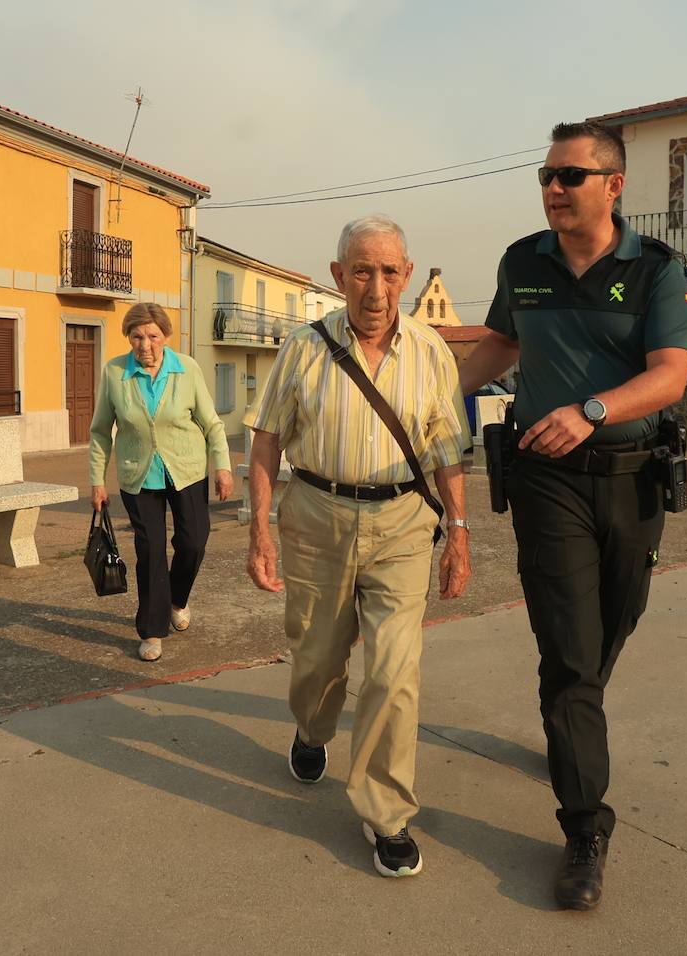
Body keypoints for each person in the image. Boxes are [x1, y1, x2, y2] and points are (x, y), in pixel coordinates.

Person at [459, 121, 687, 910]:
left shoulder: (659, 270)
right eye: (546, 175)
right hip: (546, 480)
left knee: (608, 631)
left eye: (570, 176)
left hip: (633, 481)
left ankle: (572, 728)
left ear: (613, 186)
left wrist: (593, 408)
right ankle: (585, 827)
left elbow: (669, 376)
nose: (554, 189)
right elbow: (500, 344)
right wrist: (427, 389)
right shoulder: (521, 261)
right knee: (566, 652)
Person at [245, 215, 471, 878]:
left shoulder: (432, 351)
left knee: (395, 670)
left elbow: (448, 452)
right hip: (315, 518)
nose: (376, 287)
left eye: (389, 271)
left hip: (402, 523)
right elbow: (265, 440)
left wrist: (458, 533)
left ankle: (386, 813)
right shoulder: (303, 348)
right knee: (319, 660)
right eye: (362, 271)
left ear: (406, 274)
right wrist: (258, 528)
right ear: (340, 276)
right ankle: (313, 731)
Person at [89, 302, 233, 662]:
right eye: (136, 336)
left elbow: (212, 422)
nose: (145, 344)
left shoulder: (187, 369)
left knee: (194, 541)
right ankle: (152, 631)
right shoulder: (114, 373)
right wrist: (96, 481)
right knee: (150, 550)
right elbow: (100, 433)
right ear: (129, 338)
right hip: (138, 473)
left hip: (187, 469)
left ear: (166, 337)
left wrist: (223, 466)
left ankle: (177, 600)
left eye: (153, 336)